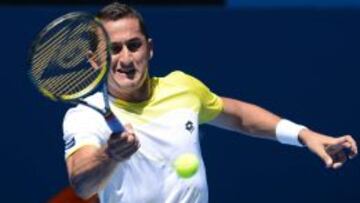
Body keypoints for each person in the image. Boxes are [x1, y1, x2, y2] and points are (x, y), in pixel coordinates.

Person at [62, 2, 358, 203]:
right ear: (95, 60)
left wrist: (304, 135)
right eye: (113, 49)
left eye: (134, 45)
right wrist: (110, 155)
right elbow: (82, 183)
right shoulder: (85, 115)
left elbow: (241, 117)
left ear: (149, 49)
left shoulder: (182, 87)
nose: (126, 58)